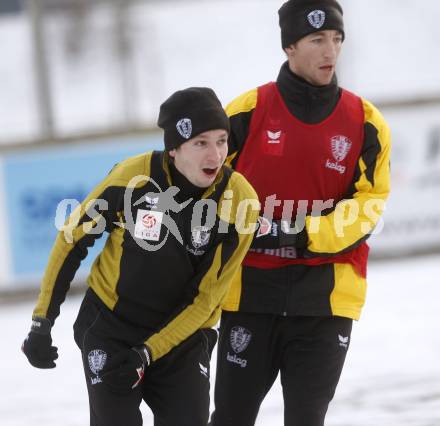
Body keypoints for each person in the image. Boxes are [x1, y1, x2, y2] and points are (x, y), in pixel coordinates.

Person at [21, 87, 259, 426]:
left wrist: (146, 353)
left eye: (221, 141)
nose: (215, 154)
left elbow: (205, 301)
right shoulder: (134, 178)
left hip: (182, 338)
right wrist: (42, 322)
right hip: (112, 327)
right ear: (174, 149)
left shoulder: (239, 201)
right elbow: (71, 240)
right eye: (201, 143)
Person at [211, 1, 391, 425]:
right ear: (290, 46)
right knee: (231, 418)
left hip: (326, 301)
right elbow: (204, 185)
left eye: (336, 39)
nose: (330, 51)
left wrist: (297, 232)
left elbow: (369, 206)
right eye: (316, 40)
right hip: (249, 294)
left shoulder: (365, 122)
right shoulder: (246, 111)